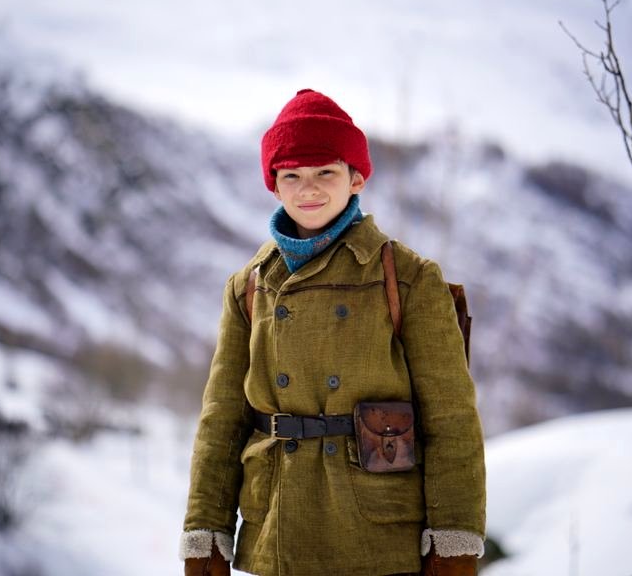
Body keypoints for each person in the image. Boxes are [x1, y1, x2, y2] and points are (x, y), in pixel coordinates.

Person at [180, 89, 486, 576]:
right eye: (292, 175)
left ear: (356, 178)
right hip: (276, 526)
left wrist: (454, 544)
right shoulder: (248, 286)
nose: (308, 189)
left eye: (325, 172)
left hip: (377, 536)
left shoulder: (409, 278)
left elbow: (451, 420)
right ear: (274, 186)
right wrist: (205, 536)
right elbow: (222, 420)